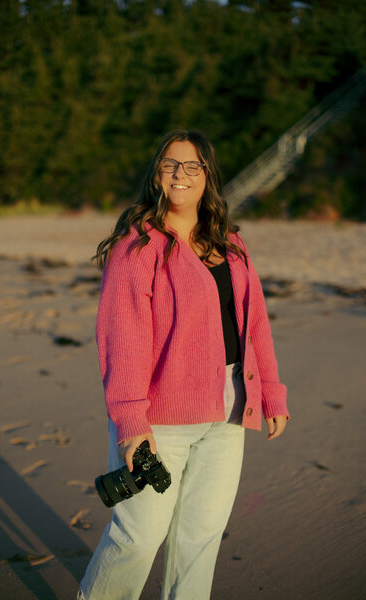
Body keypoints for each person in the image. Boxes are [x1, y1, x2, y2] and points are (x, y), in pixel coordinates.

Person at [77, 129, 289, 600]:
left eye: (192, 166)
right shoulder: (139, 247)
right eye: (170, 164)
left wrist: (271, 392)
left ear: (207, 175)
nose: (180, 174)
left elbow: (256, 326)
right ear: (157, 173)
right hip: (160, 422)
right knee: (138, 538)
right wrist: (131, 423)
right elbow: (122, 340)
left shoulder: (232, 245)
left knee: (199, 541)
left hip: (228, 416)